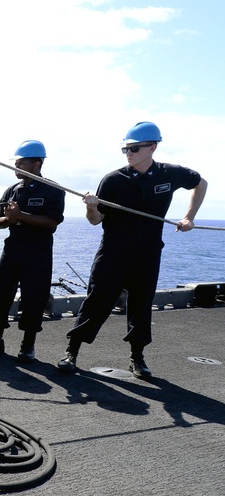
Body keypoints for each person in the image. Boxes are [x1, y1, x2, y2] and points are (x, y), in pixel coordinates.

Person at [58, 122, 207, 379]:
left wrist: (189, 217)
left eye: (134, 148)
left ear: (152, 147)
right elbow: (95, 220)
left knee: (141, 304)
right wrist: (91, 207)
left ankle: (137, 358)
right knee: (97, 301)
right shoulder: (113, 180)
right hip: (113, 252)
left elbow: (201, 182)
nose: (129, 153)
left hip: (148, 252)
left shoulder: (169, 174)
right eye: (126, 149)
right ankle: (72, 352)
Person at [0, 141, 66, 362]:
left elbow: (52, 222)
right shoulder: (13, 190)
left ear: (36, 164)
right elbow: (0, 222)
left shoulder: (53, 189)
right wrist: (10, 218)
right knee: (2, 293)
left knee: (34, 298)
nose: (16, 166)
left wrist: (21, 217)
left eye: (20, 162)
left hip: (38, 253)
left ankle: (27, 346)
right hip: (12, 250)